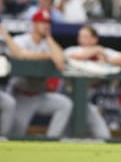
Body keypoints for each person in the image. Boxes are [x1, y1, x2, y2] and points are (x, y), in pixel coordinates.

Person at [8, 8, 73, 138]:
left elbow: (62, 59)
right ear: (34, 24)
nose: (46, 25)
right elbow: (22, 55)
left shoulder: (47, 42)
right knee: (16, 136)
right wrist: (48, 56)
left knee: (65, 105)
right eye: (42, 22)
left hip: (41, 95)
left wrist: (48, 38)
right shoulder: (21, 40)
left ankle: (51, 140)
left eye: (48, 23)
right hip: (22, 95)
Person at [64, 25, 121, 139]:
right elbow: (71, 56)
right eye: (80, 36)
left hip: (95, 100)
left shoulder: (103, 52)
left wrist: (108, 59)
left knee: (103, 135)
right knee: (64, 135)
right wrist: (96, 50)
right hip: (72, 97)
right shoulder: (74, 49)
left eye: (85, 36)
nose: (81, 39)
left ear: (94, 39)